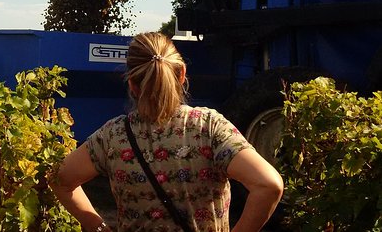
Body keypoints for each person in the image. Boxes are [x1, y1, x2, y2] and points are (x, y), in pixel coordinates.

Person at [50, 32, 284, 232]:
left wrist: (97, 226)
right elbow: (268, 185)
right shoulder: (210, 127)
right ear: (181, 74)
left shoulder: (113, 135)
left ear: (132, 84)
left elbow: (60, 180)